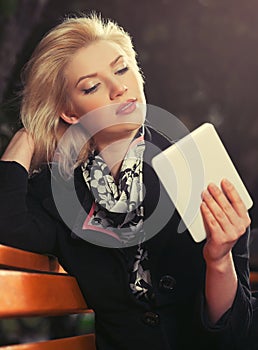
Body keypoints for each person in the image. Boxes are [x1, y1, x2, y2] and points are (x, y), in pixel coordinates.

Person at [0, 13, 253, 350]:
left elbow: (237, 336)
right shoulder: (59, 195)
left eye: (122, 69)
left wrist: (220, 260)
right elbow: (8, 222)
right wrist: (27, 136)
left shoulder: (197, 167)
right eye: (92, 86)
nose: (119, 88)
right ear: (71, 114)